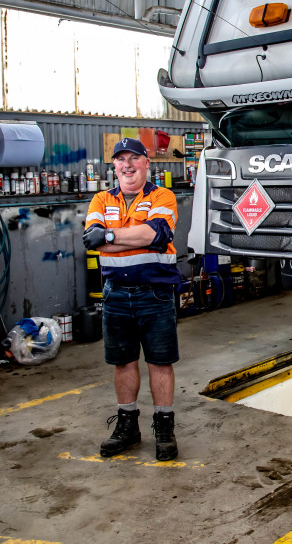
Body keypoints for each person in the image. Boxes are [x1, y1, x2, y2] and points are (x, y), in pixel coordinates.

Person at [83, 137, 182, 461]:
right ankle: (128, 426)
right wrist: (132, 237)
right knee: (123, 362)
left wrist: (110, 235)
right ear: (114, 165)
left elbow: (156, 234)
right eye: (121, 159)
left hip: (155, 293)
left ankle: (164, 428)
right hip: (115, 294)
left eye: (134, 158)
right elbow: (93, 240)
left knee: (160, 362)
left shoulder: (162, 196)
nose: (127, 165)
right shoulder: (101, 199)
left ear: (146, 162)